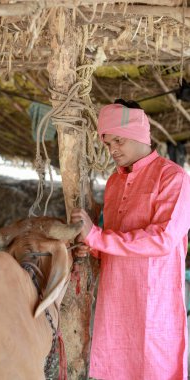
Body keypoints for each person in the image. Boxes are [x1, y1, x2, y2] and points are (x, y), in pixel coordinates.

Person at [71, 99, 190, 380]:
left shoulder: (174, 177)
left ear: (138, 134)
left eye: (118, 141)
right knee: (114, 366)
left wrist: (97, 237)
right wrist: (90, 247)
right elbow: (110, 238)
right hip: (114, 298)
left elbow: (163, 239)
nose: (112, 150)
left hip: (153, 299)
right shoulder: (114, 182)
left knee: (155, 367)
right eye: (107, 143)